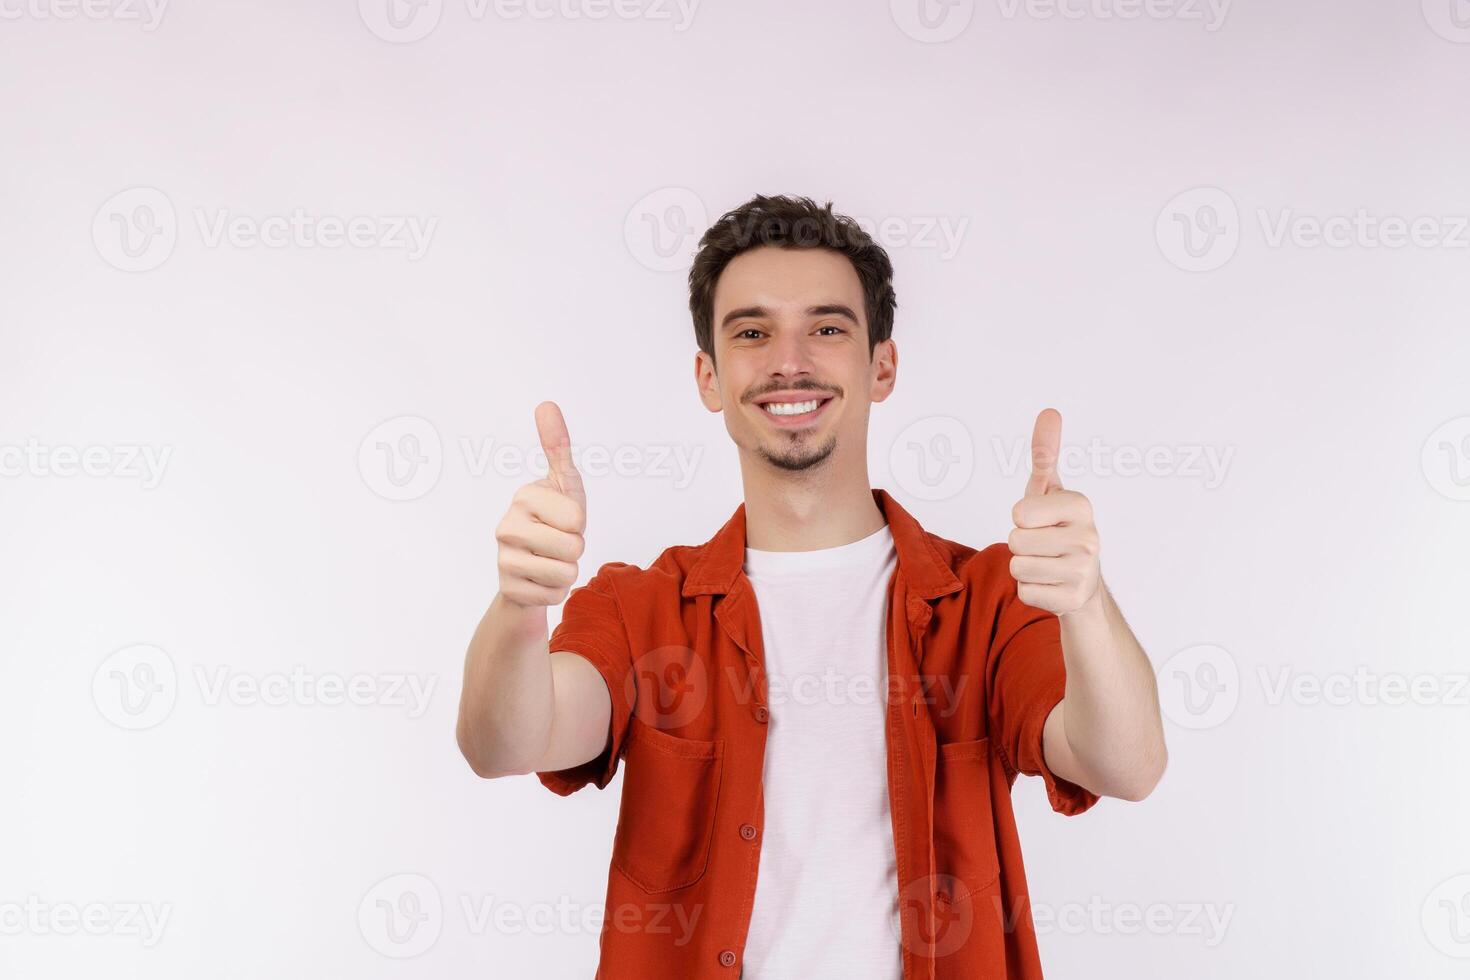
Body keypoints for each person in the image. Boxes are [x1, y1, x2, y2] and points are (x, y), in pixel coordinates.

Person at [455, 194, 1167, 979]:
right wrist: (520, 607)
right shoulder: (641, 607)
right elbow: (504, 743)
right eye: (752, 332)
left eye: (827, 327)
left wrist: (1088, 603)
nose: (788, 360)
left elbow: (1126, 764)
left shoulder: (987, 599)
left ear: (882, 365)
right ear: (709, 377)